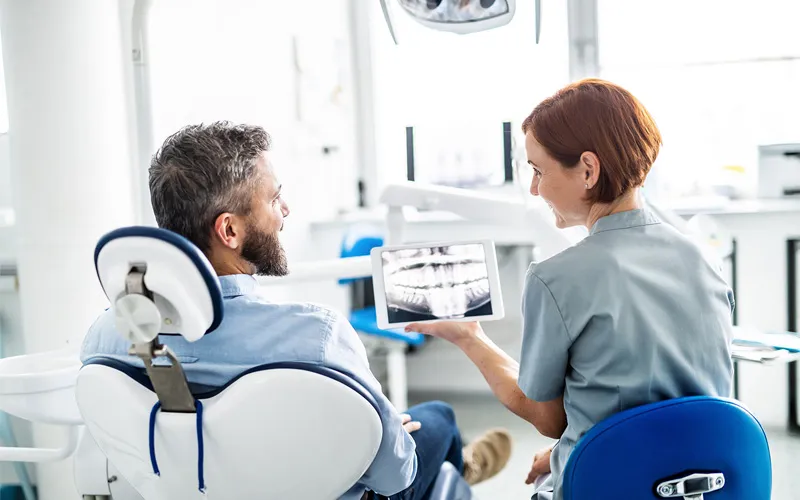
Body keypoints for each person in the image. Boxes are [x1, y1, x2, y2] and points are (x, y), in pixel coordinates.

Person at [80, 121, 512, 500]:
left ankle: (462, 464)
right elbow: (394, 475)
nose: (286, 211)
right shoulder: (317, 337)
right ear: (229, 229)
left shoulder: (107, 336)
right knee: (438, 419)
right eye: (274, 199)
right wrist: (386, 431)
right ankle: (464, 465)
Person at [406, 79, 734, 500]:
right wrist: (570, 451)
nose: (534, 189)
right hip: (701, 483)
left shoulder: (555, 278)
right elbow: (665, 404)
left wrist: (470, 338)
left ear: (588, 170)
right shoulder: (704, 258)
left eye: (538, 171)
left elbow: (548, 418)